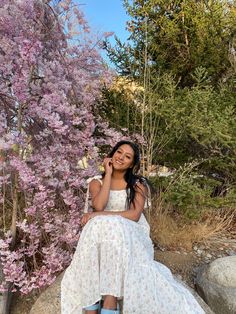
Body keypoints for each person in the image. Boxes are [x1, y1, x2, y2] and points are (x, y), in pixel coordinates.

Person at [61, 140, 205, 314]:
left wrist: (98, 216)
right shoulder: (96, 182)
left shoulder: (138, 185)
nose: (121, 157)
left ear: (132, 164)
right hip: (103, 238)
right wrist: (108, 174)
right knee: (100, 224)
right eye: (119, 152)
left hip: (130, 235)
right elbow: (99, 205)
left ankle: (109, 300)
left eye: (127, 156)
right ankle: (95, 301)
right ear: (112, 154)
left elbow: (134, 215)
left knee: (102, 222)